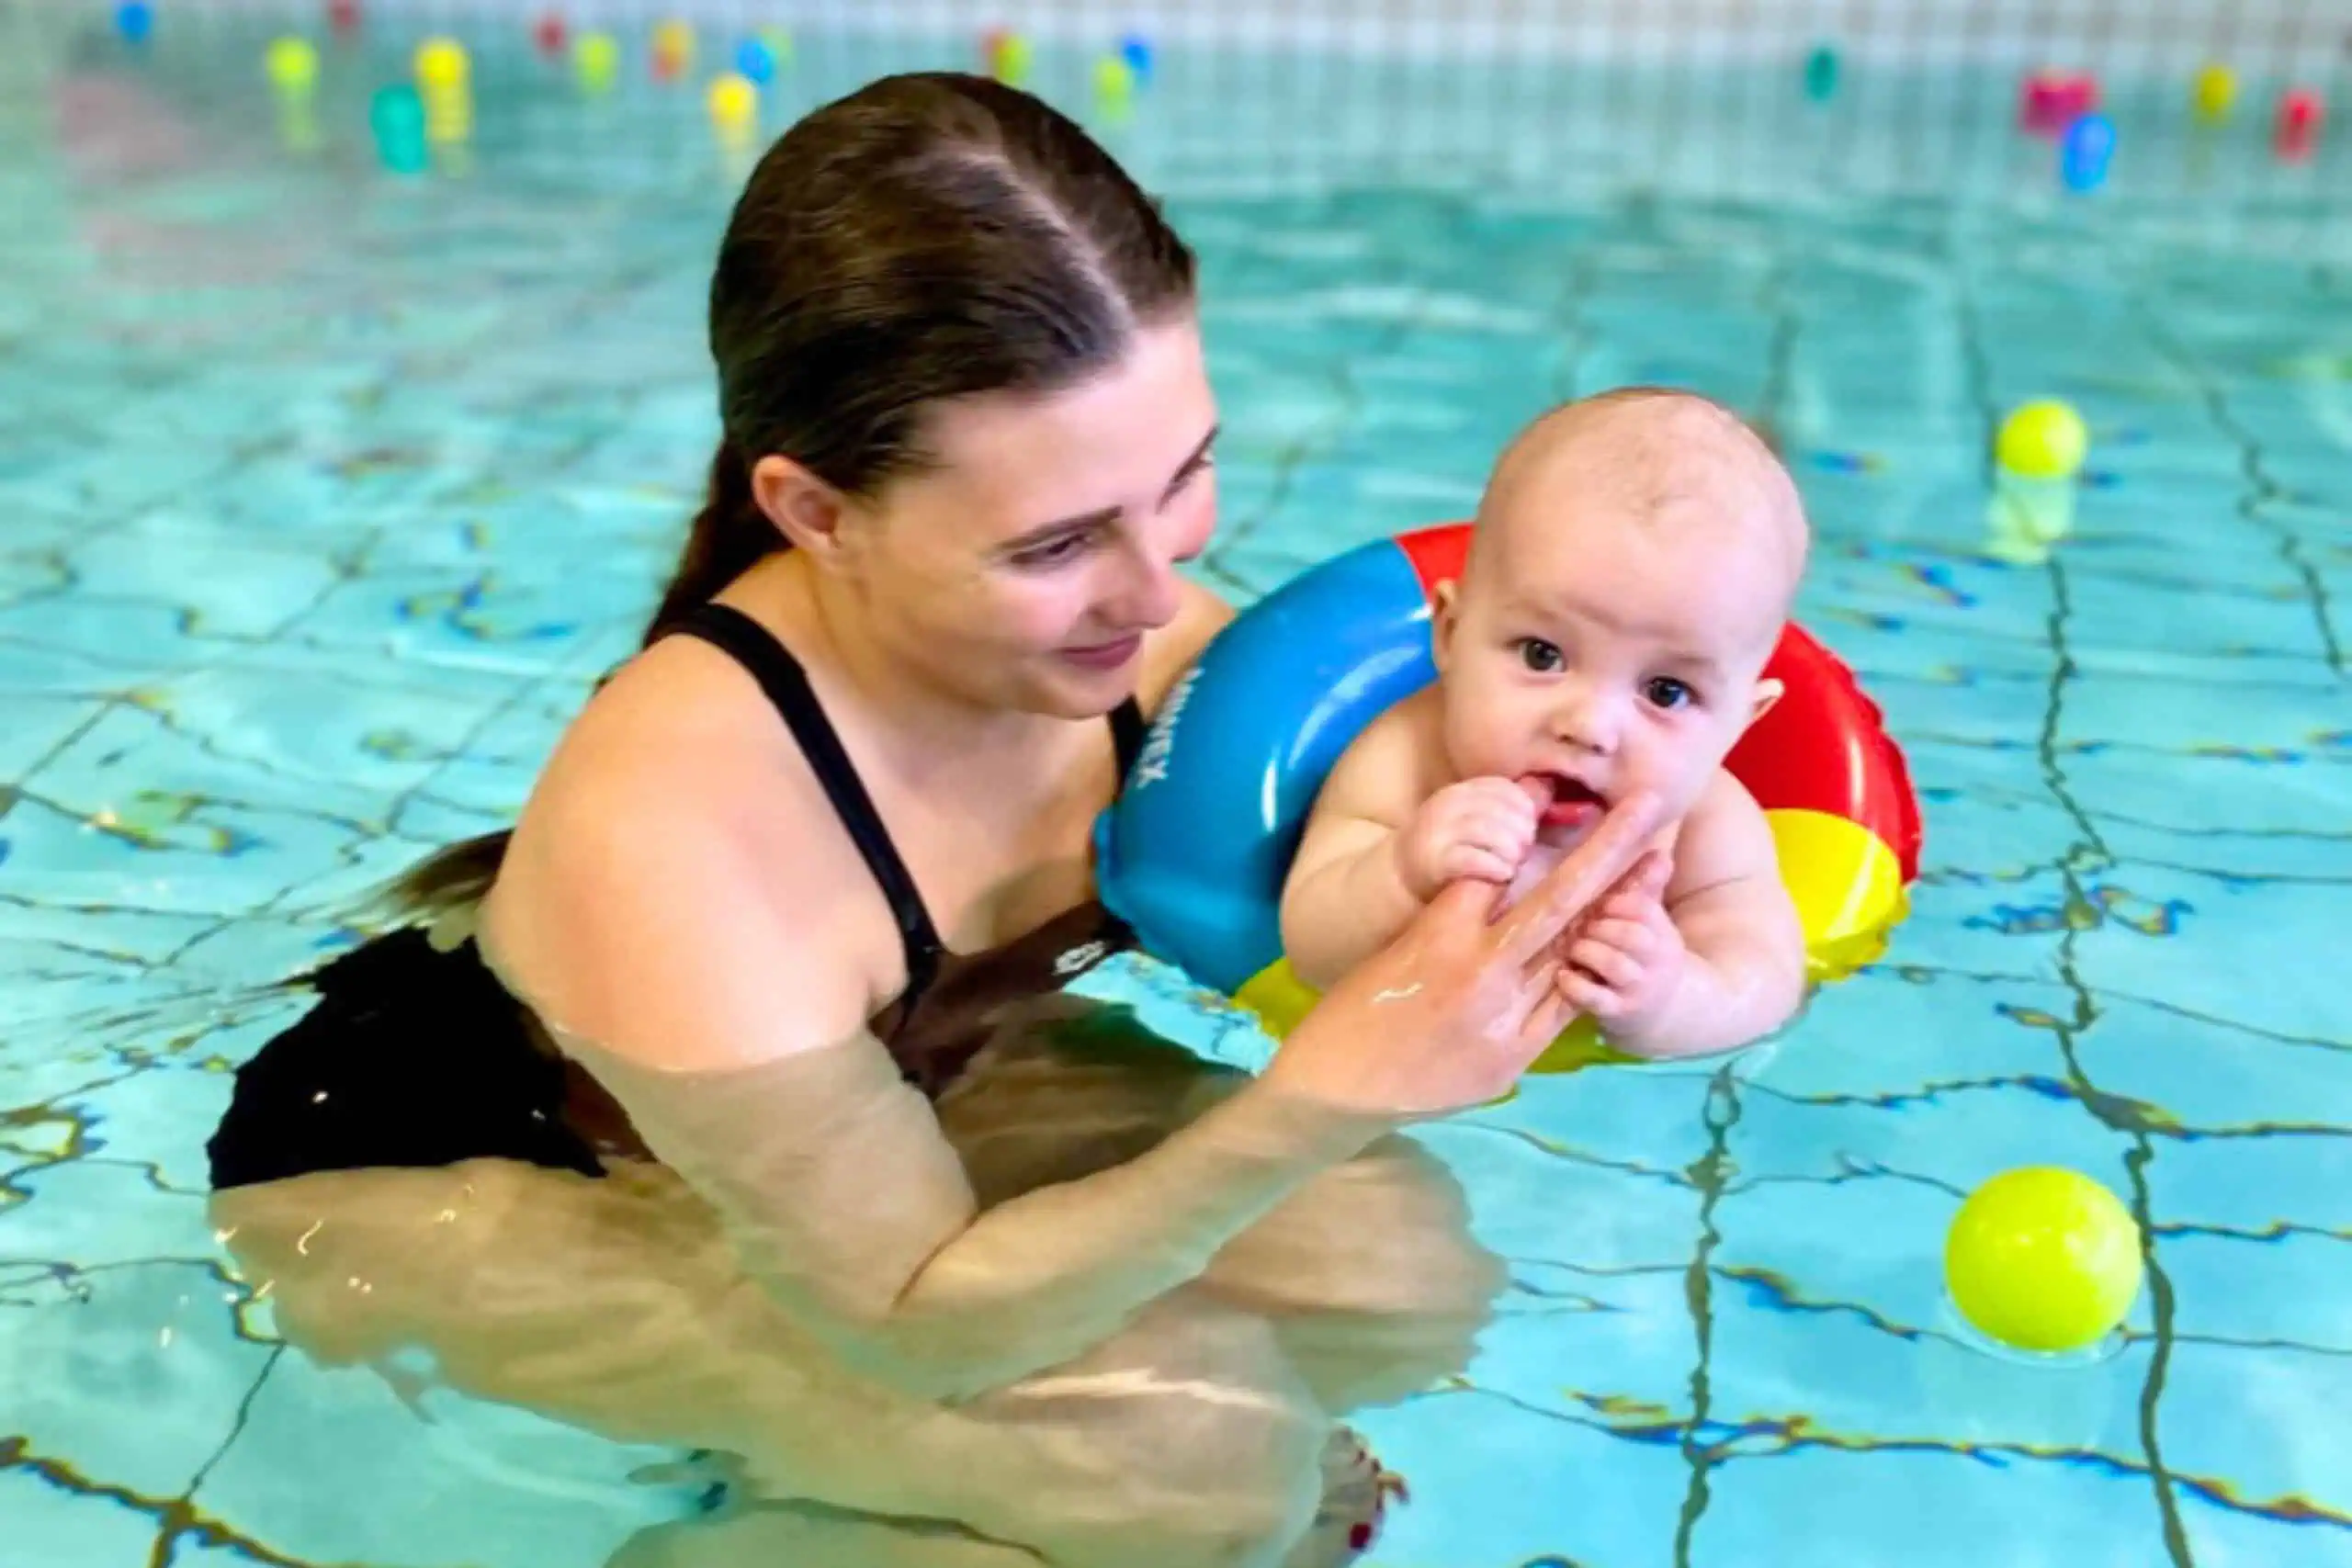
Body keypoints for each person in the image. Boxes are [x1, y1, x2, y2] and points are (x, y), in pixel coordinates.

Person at [203, 73, 1669, 1568]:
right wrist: (1316, 1100)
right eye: (1056, 542)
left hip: (896, 1086)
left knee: (1398, 1272)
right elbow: (916, 1322)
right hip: (461, 1179)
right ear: (817, 512)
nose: (1160, 592)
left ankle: (890, 1487)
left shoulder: (1130, 648)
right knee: (1192, 1465)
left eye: (1185, 476)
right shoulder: (690, 824)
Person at [1281, 389, 1810, 1061]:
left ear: (1741, 723)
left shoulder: (1707, 824)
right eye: (1543, 654)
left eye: (1666, 691)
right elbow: (1308, 947)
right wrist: (1402, 871)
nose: (1589, 725)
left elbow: (1764, 981)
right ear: (1450, 634)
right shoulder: (1405, 761)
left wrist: (1673, 997)